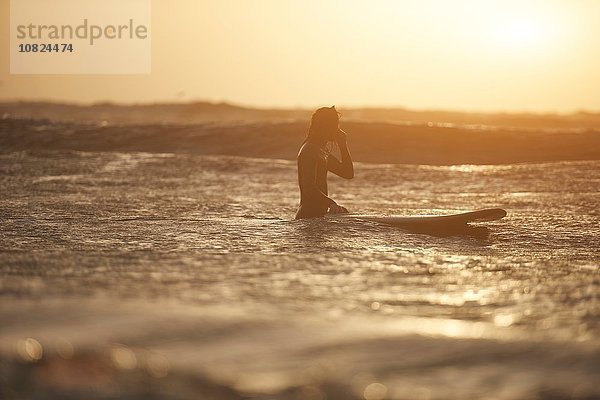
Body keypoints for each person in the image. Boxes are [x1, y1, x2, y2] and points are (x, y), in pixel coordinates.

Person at [295, 106, 354, 219]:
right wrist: (331, 203)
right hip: (307, 218)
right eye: (334, 125)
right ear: (323, 126)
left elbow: (348, 173)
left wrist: (343, 145)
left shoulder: (321, 151)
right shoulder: (309, 151)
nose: (337, 129)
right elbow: (309, 188)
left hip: (317, 217)